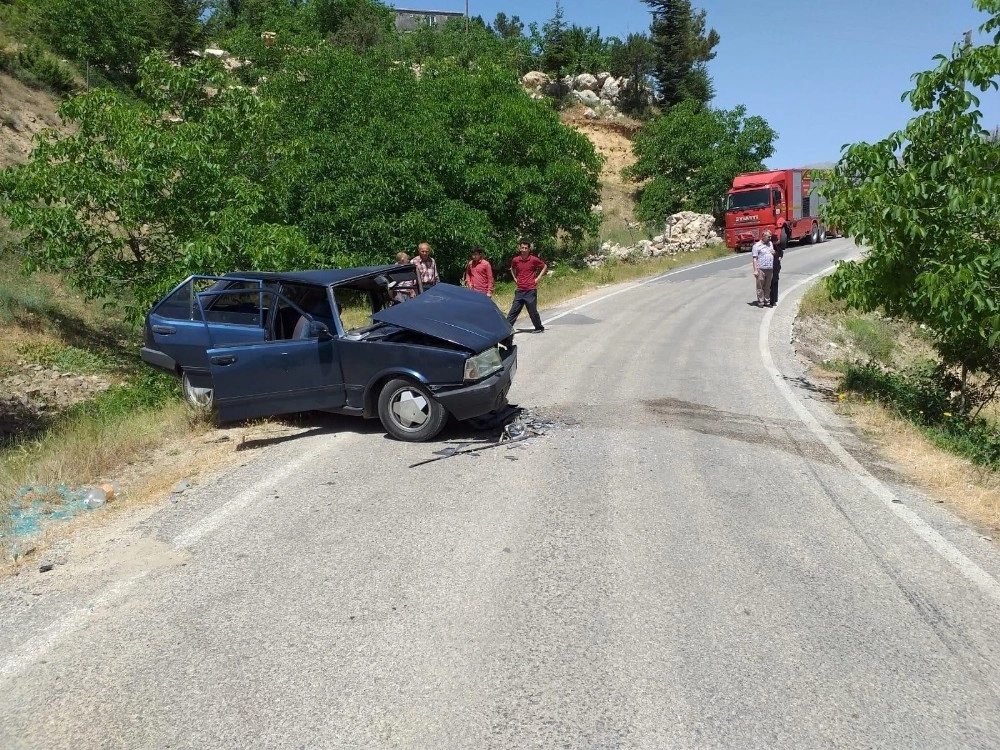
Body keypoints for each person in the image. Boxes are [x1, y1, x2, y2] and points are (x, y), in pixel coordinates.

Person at [506, 239, 547, 332]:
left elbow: (544, 266)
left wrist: (538, 278)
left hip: (530, 290)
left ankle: (539, 328)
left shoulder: (534, 259)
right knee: (513, 312)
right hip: (520, 290)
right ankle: (506, 330)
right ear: (519, 248)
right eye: (522, 248)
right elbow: (511, 268)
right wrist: (515, 279)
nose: (524, 250)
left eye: (526, 248)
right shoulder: (516, 260)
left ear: (529, 250)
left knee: (532, 312)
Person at [751, 229, 775, 307]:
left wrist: (773, 253)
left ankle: (766, 301)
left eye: (770, 236)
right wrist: (755, 270)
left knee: (768, 286)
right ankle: (760, 301)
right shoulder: (756, 246)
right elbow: (755, 258)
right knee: (760, 286)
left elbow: (772, 252)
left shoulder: (770, 243)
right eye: (768, 237)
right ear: (763, 236)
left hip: (769, 268)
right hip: (761, 268)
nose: (770, 238)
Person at [770, 231, 785, 306]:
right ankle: (770, 300)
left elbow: (781, 252)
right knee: (771, 284)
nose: (778, 241)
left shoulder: (777, 248)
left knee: (775, 283)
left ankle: (774, 299)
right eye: (776, 241)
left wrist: (780, 256)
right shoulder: (770, 248)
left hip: (776, 268)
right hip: (770, 268)